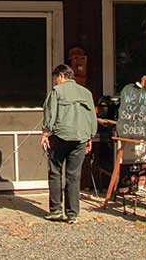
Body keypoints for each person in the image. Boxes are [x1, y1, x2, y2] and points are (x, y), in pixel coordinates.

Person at [41, 64, 97, 224]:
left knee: (55, 172)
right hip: (81, 138)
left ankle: (56, 210)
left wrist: (45, 133)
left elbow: (49, 112)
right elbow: (92, 116)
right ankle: (72, 214)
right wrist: (90, 137)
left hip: (60, 136)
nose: (55, 81)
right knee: (74, 175)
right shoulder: (86, 93)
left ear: (61, 75)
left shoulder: (57, 91)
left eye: (55, 78)